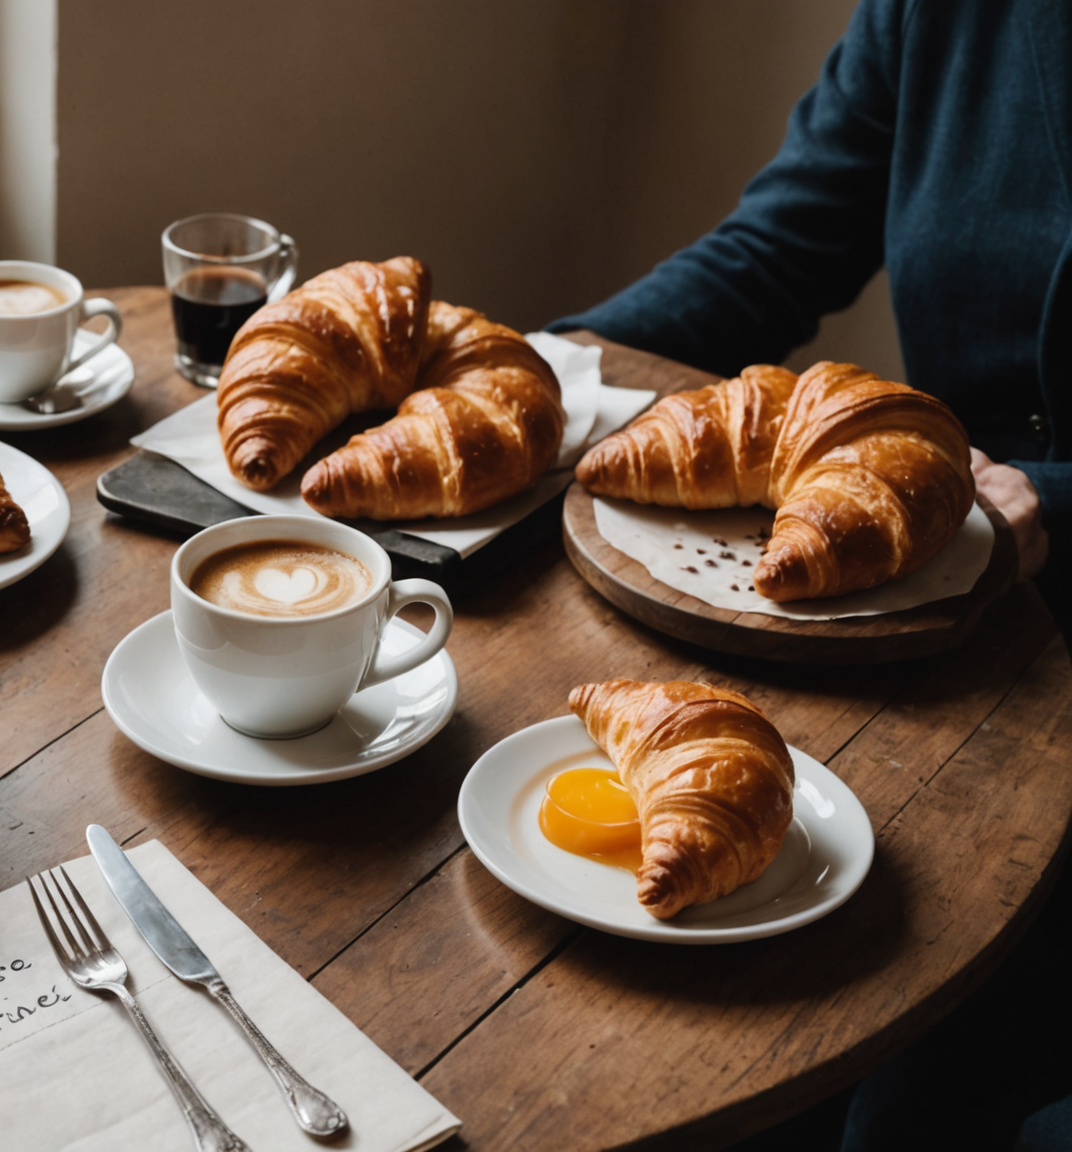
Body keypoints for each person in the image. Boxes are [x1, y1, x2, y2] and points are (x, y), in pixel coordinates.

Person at [549, 1, 1070, 1148]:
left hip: (1001, 611)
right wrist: (546, 383)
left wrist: (1056, 502)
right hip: (913, 615)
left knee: (899, 1084)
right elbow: (776, 250)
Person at [551, 0, 1067, 619]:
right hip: (934, 582)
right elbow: (782, 250)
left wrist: (1055, 499)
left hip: (959, 551)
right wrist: (557, 365)